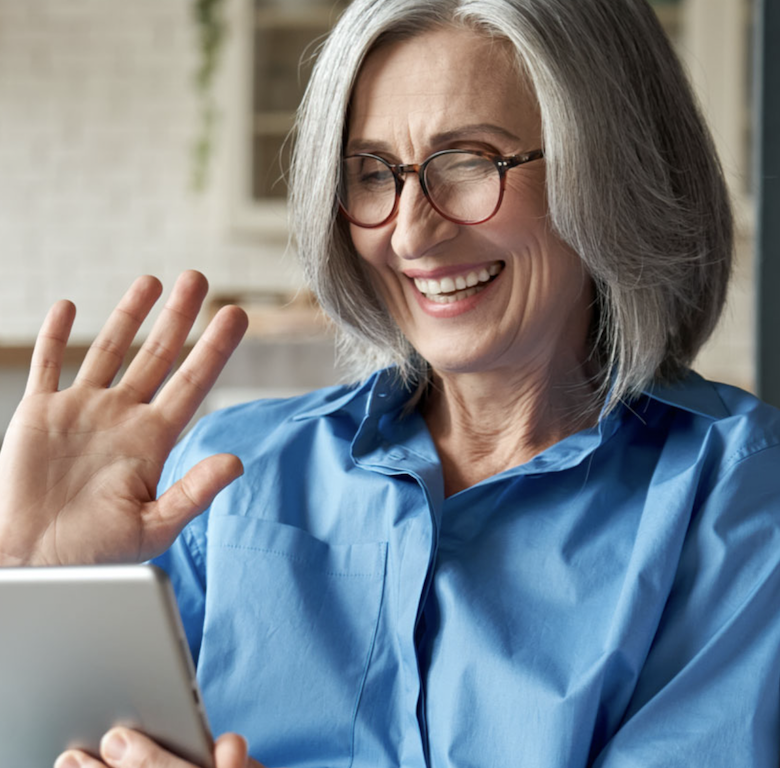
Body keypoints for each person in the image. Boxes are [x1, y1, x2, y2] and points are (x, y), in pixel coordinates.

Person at [1, 0, 778, 766]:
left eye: (471, 161)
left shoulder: (738, 496)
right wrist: (36, 587)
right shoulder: (230, 474)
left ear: (614, 167)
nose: (410, 232)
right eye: (373, 173)